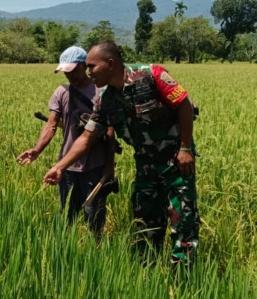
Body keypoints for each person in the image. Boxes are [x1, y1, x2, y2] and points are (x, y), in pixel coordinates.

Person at [43, 41, 200, 266]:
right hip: (145, 165)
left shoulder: (150, 75)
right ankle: (148, 274)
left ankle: (184, 280)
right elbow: (87, 138)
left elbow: (183, 104)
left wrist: (185, 148)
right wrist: (59, 167)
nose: (89, 73)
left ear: (110, 63)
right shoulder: (105, 100)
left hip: (175, 161)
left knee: (183, 219)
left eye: (92, 67)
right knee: (145, 220)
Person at [18, 46, 112, 234]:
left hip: (95, 166)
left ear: (83, 66)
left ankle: (96, 253)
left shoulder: (101, 91)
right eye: (65, 72)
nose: (68, 76)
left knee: (93, 218)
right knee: (67, 217)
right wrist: (37, 150)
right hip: (67, 167)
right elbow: (51, 125)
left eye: (71, 71)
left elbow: (110, 131)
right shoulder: (61, 92)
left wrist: (110, 165)